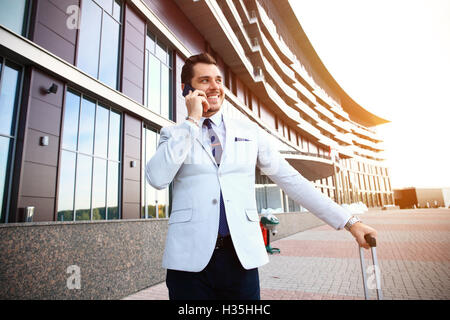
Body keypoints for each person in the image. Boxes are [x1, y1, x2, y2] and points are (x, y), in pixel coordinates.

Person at [146, 53, 377, 300]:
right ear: (186, 89)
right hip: (188, 265)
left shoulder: (248, 131)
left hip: (240, 260)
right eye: (205, 81)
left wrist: (350, 222)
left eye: (218, 80)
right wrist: (192, 122)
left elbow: (292, 180)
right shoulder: (173, 134)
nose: (214, 87)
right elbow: (157, 178)